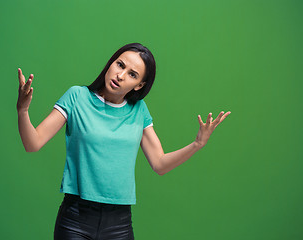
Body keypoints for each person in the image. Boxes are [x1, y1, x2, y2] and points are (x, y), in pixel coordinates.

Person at [16, 43, 231, 240]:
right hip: (76, 218)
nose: (120, 75)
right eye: (119, 64)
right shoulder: (77, 97)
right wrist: (23, 110)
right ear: (111, 62)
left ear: (139, 85)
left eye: (132, 74)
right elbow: (32, 144)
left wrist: (197, 144)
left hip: (119, 223)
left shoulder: (139, 111)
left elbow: (160, 163)